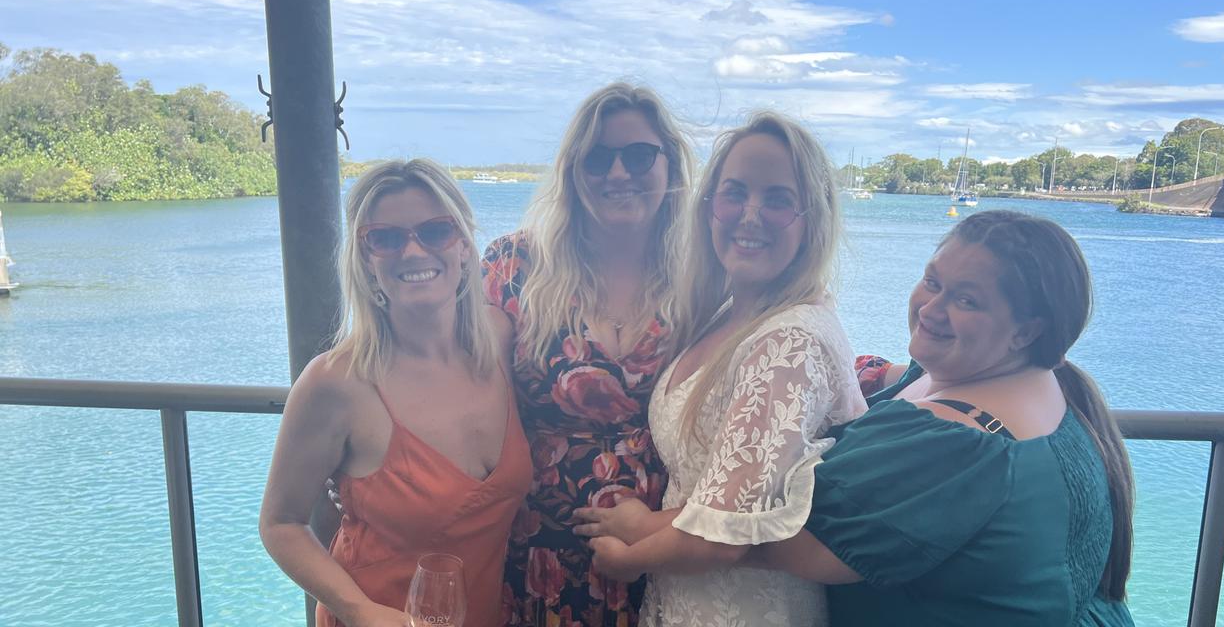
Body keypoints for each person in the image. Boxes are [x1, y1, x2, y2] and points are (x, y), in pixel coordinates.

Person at [757, 210, 1136, 626]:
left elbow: (788, 547)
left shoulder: (951, 441)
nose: (931, 309)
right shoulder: (1046, 383)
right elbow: (906, 376)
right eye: (933, 283)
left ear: (1025, 332)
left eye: (966, 300)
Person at [577, 111, 867, 626]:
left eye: (777, 200)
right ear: (709, 207)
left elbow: (728, 531)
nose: (750, 215)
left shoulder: (788, 339)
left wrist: (632, 548)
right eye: (735, 193)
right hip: (684, 601)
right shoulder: (728, 314)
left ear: (812, 218)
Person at [260, 159, 532, 627]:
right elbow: (281, 523)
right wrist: (358, 610)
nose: (412, 251)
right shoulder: (336, 383)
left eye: (435, 231)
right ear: (365, 259)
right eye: (385, 238)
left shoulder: (502, 338)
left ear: (465, 246)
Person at [480, 83, 695, 625]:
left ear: (670, 164)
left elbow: (769, 351)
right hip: (536, 549)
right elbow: (455, 370)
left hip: (663, 546)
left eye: (639, 155)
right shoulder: (517, 265)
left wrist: (903, 377)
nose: (618, 174)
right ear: (573, 172)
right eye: (597, 158)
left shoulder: (702, 277)